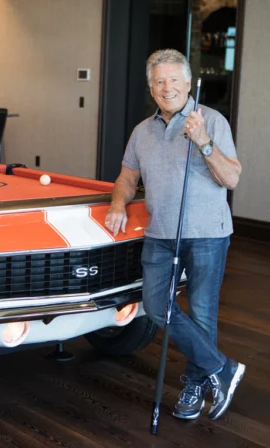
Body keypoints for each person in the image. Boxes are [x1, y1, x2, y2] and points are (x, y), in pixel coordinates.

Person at [105, 49, 244, 421]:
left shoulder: (210, 121)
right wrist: (118, 204)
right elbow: (127, 178)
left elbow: (230, 178)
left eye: (173, 80)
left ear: (187, 83)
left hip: (206, 234)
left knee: (201, 312)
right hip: (161, 233)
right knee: (155, 305)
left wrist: (203, 141)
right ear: (151, 88)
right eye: (159, 81)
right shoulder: (142, 131)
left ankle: (196, 384)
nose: (167, 88)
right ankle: (222, 367)